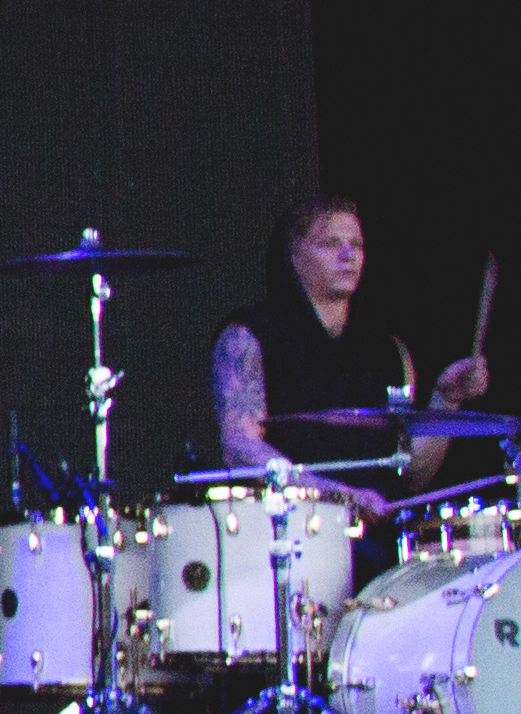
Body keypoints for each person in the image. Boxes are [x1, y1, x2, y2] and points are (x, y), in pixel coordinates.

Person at [211, 195, 495, 528]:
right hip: (297, 532)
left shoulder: (389, 351)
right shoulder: (248, 337)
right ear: (293, 256)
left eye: (356, 245)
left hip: (379, 539)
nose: (348, 255)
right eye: (330, 244)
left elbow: (408, 474)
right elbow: (241, 448)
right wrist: (341, 497)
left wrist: (446, 401)